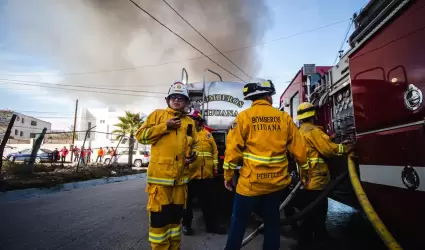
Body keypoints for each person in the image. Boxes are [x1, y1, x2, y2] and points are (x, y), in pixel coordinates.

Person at [223, 79, 308, 250]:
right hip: (275, 185)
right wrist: (305, 173)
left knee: (238, 221)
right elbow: (300, 151)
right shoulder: (284, 118)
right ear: (268, 97)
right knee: (272, 224)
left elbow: (232, 150)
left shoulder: (244, 117)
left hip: (249, 185)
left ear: (252, 99)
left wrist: (228, 176)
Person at [135, 80, 199, 250]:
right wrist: (165, 126)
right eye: (173, 97)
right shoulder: (157, 115)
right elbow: (141, 136)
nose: (177, 100)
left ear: (186, 102)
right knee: (159, 222)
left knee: (174, 221)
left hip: (180, 183)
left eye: (181, 98)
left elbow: (195, 145)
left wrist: (193, 155)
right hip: (160, 182)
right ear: (168, 100)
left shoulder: (190, 123)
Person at [294, 102, 353, 249]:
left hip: (307, 178)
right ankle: (317, 242)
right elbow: (328, 150)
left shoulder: (299, 132)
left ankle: (310, 241)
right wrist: (345, 147)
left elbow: (313, 148)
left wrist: (328, 139)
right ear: (313, 115)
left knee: (311, 212)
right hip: (317, 178)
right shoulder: (313, 131)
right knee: (317, 213)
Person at [182, 110, 227, 236]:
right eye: (190, 119)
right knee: (187, 203)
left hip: (206, 175)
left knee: (209, 203)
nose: (192, 122)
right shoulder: (184, 135)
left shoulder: (207, 135)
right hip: (190, 175)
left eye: (195, 119)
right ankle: (186, 225)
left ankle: (211, 226)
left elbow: (214, 151)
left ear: (199, 121)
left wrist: (215, 166)